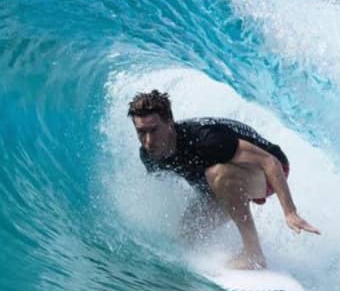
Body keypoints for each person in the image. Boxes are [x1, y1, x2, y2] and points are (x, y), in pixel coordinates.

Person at [128, 89, 320, 270]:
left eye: (153, 131)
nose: (148, 141)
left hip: (268, 170)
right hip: (222, 182)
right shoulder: (149, 155)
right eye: (141, 132)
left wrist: (290, 212)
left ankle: (253, 254)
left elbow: (270, 162)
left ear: (170, 122)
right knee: (186, 235)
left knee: (217, 173)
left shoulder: (207, 139)